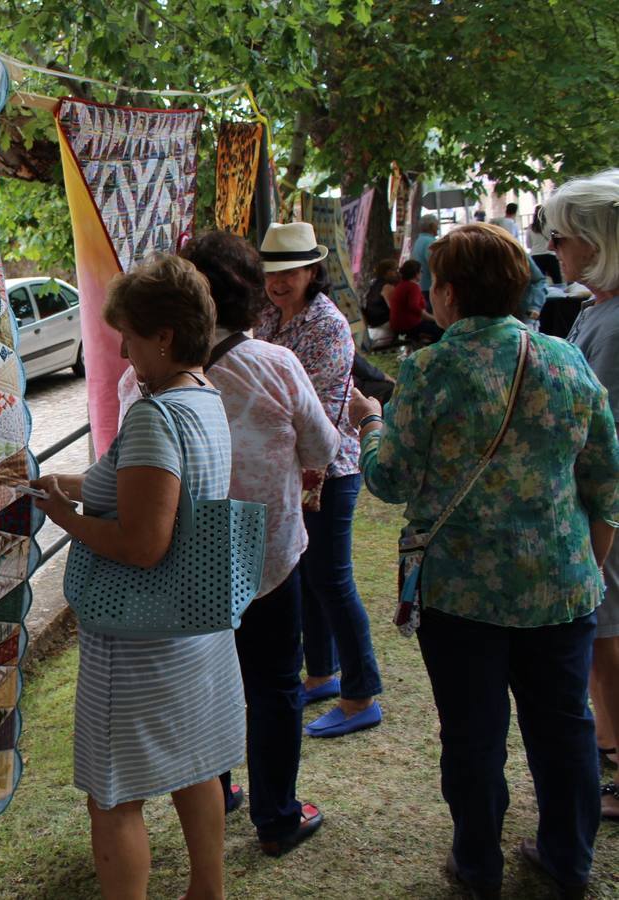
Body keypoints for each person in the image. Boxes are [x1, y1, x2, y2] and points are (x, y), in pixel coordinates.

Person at [351, 222, 619, 898]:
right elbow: (606, 478)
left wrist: (371, 425)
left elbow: (389, 480)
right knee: (564, 728)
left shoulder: (431, 369)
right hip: (561, 586)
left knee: (473, 736)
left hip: (461, 594)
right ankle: (568, 860)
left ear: (445, 292)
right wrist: (589, 561)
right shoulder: (565, 358)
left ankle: (478, 866)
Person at [32, 253, 244, 900]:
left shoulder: (155, 415)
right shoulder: (203, 399)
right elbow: (147, 493)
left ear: (164, 336)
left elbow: (143, 543)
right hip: (192, 630)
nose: (123, 352)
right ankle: (207, 891)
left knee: (114, 795)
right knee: (197, 767)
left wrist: (61, 515)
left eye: (128, 335)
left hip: (140, 641)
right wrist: (71, 485)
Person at [177, 231, 338, 857]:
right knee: (274, 686)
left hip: (189, 560)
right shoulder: (276, 364)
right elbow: (323, 448)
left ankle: (217, 795)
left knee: (207, 684)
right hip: (268, 559)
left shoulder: (153, 377)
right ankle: (277, 817)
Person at [255, 222, 383, 737]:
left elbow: (309, 408)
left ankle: (361, 695)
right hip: (289, 467)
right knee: (307, 575)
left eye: (290, 272)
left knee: (332, 579)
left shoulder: (328, 325)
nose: (279, 282)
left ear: (312, 271)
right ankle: (324, 674)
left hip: (330, 467)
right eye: (271, 273)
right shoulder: (267, 316)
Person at [543, 168, 619, 823]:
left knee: (608, 633)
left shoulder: (613, 321)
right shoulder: (599, 310)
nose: (554, 250)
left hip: (605, 510)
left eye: (562, 238)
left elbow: (603, 439)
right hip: (596, 505)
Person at [387, 259, 443, 342]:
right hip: (409, 327)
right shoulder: (413, 287)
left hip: (398, 327)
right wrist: (435, 319)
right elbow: (415, 307)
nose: (422, 274)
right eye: (421, 271)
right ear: (416, 274)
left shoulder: (401, 285)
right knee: (442, 329)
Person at [360, 258, 396, 350]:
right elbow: (394, 309)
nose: (396, 273)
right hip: (383, 323)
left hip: (372, 321)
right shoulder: (387, 286)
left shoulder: (374, 285)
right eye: (395, 270)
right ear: (388, 272)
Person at [412, 213, 439, 298]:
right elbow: (435, 265)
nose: (438, 228)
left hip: (421, 285)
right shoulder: (430, 242)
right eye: (437, 225)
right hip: (429, 287)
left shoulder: (419, 240)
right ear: (431, 226)